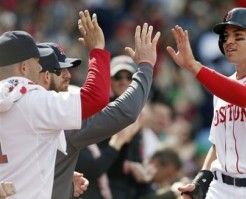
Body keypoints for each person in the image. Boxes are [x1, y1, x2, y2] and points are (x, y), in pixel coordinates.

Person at [167, 7, 246, 199]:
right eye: (225, 36)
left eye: (238, 36)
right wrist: (201, 181)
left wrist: (194, 66)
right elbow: (218, 146)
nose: (229, 41)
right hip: (220, 188)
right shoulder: (224, 87)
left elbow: (245, 97)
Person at [36, 22, 160, 199]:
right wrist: (146, 65)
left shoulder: (12, 106)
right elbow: (124, 111)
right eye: (60, 70)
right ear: (44, 75)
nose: (68, 75)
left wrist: (62, 180)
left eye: (128, 77)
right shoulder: (58, 116)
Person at [0, 9, 111, 199]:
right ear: (24, 67)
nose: (40, 67)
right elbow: (96, 97)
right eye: (37, 62)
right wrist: (97, 51)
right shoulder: (32, 101)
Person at [75, 54, 157, 199]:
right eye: (118, 77)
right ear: (110, 80)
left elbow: (134, 157)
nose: (123, 82)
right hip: (102, 187)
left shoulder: (138, 112)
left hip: (127, 188)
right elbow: (92, 165)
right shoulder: (101, 110)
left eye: (129, 77)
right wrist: (118, 143)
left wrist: (140, 168)